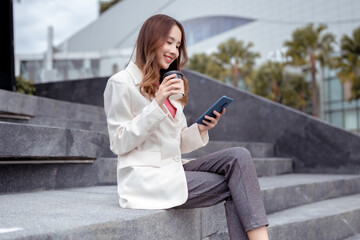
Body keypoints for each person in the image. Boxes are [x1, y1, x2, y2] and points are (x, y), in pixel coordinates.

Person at [103, 14, 269, 240]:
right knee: (237, 187)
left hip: (172, 167)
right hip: (146, 177)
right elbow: (119, 142)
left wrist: (200, 129)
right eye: (169, 42)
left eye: (178, 45)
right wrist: (157, 103)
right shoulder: (121, 82)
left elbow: (177, 141)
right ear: (150, 40)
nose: (174, 50)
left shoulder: (168, 84)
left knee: (239, 156)